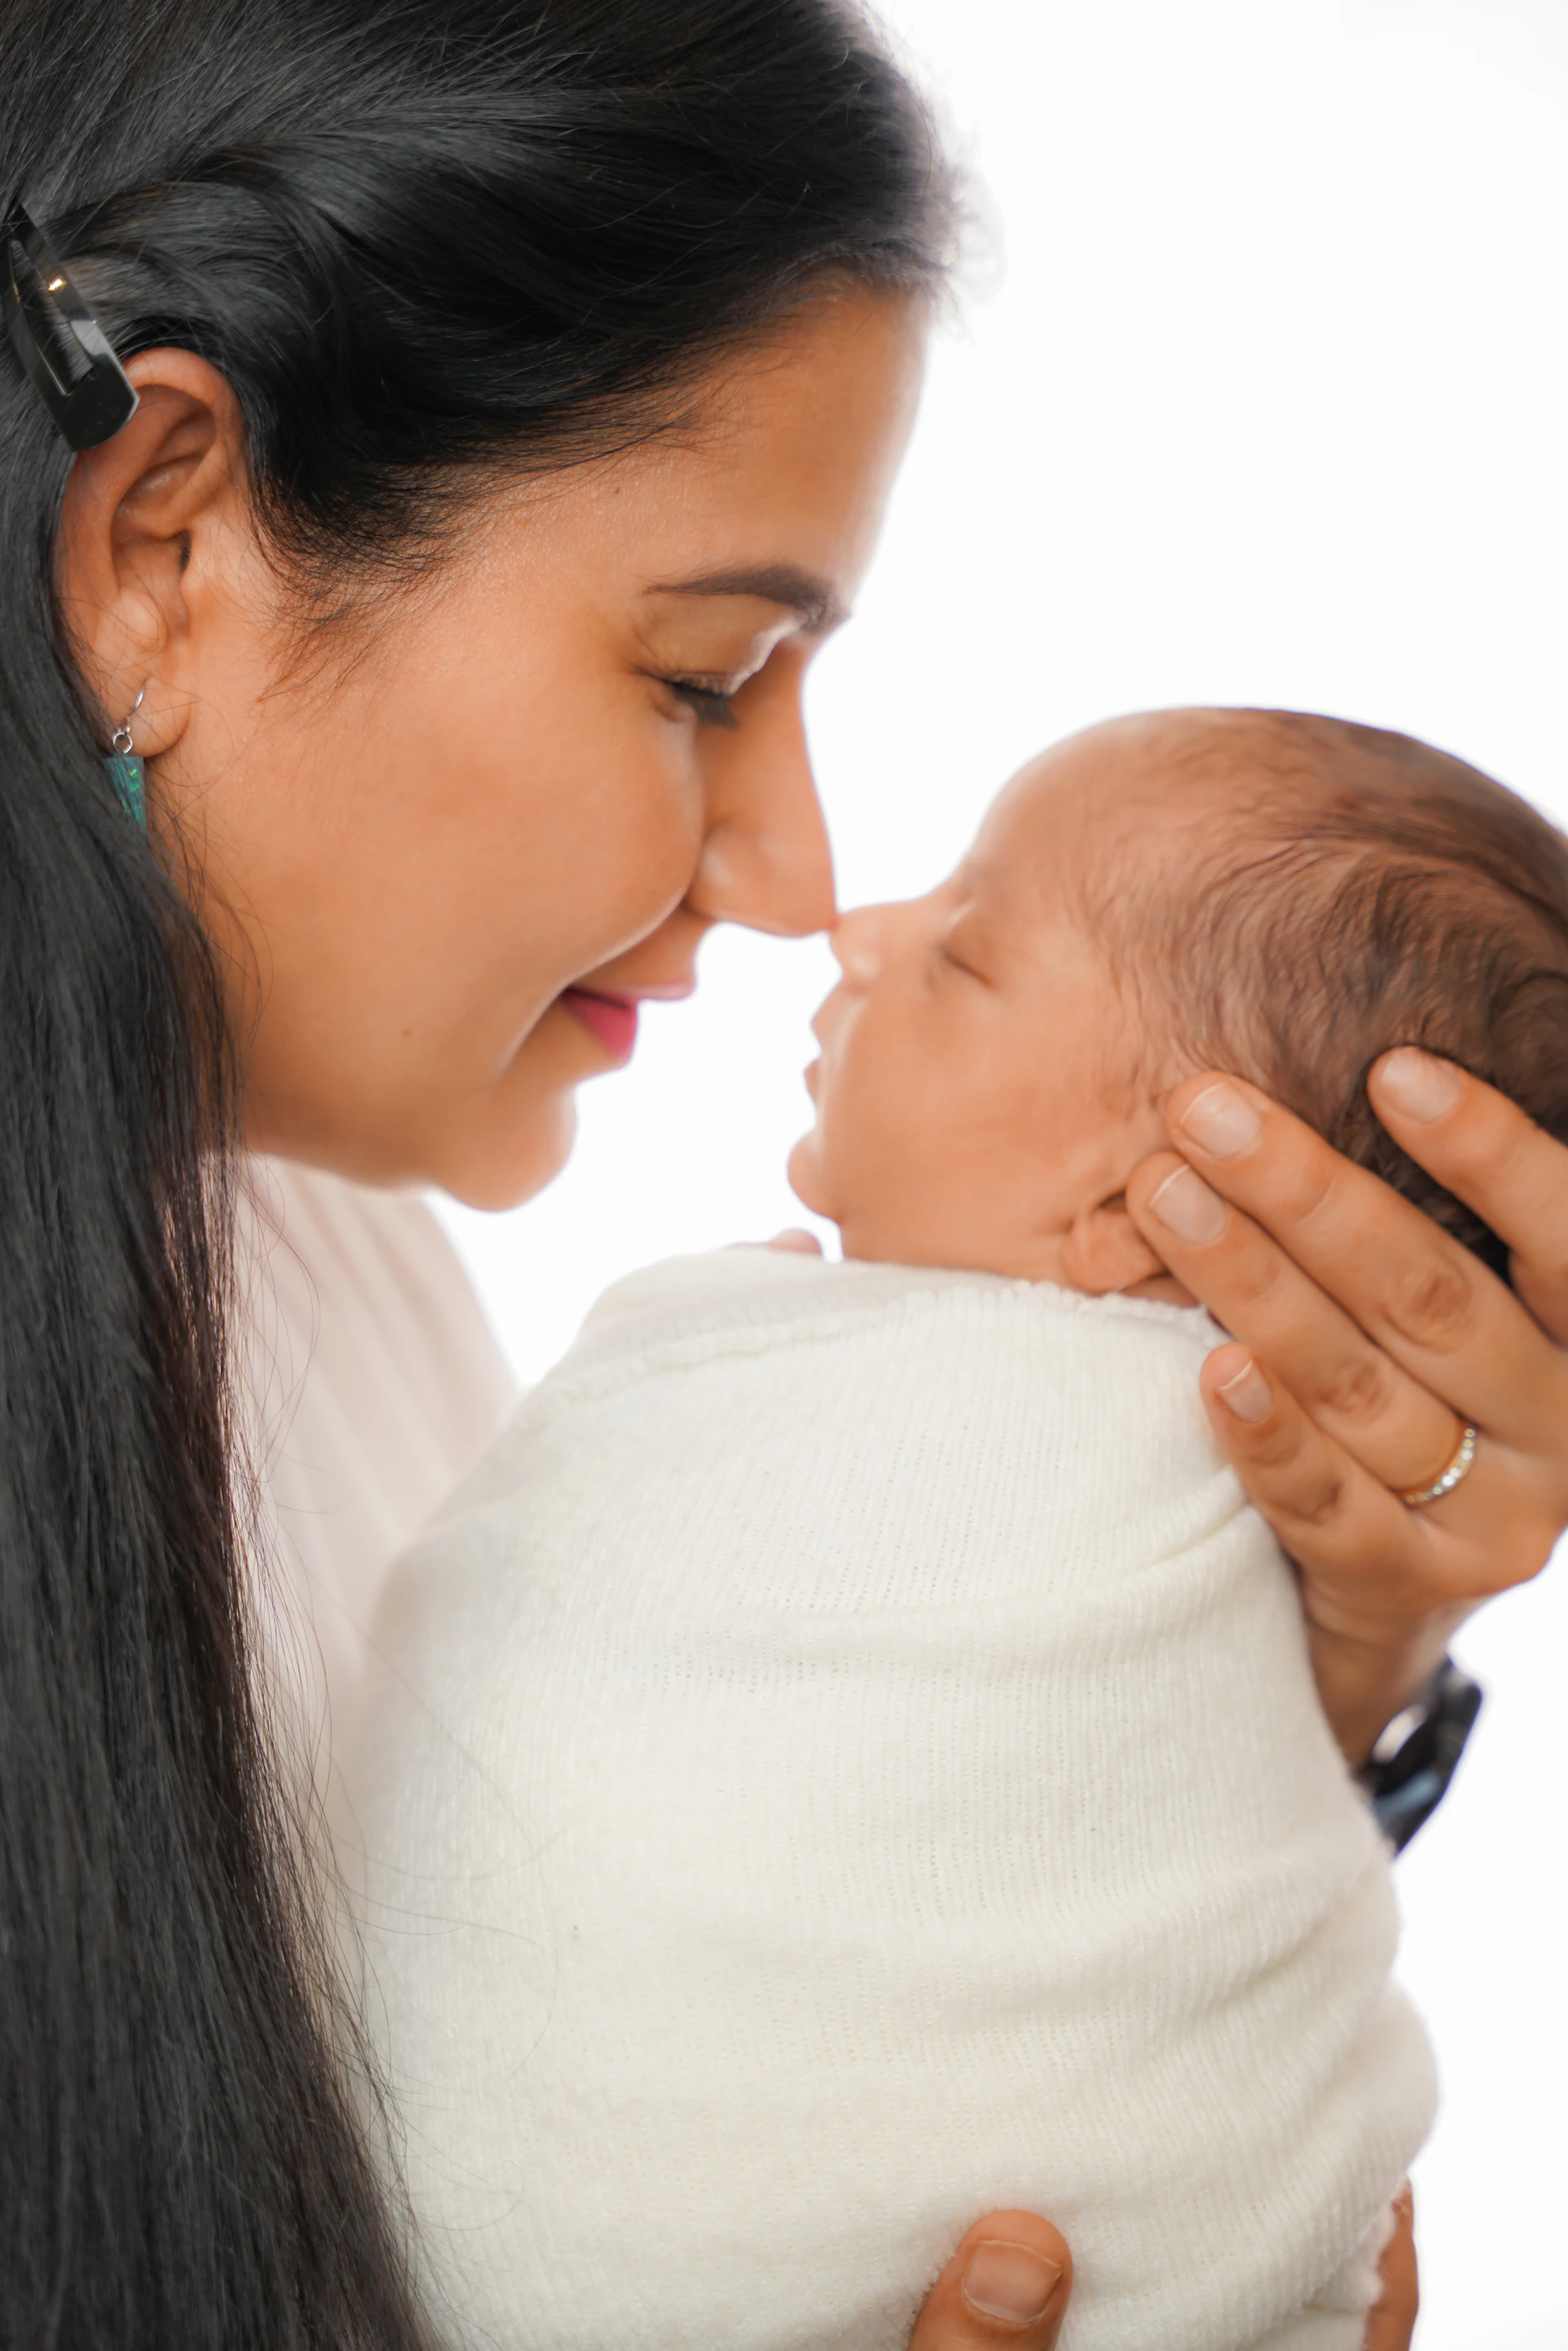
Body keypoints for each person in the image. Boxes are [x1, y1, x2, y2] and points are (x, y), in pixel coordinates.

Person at [0, 3, 1557, 2345]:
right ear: (166, 542)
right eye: (703, 678)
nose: (805, 876)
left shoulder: (327, 1264)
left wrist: (1296, 1660)